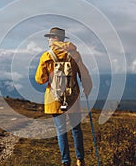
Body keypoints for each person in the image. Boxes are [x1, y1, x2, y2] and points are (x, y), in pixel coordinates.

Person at [35, 27, 92, 166]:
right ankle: (80, 159)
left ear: (54, 39)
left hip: (54, 99)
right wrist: (87, 87)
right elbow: (83, 73)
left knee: (61, 131)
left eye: (50, 37)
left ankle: (66, 161)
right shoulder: (75, 54)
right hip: (72, 97)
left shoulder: (46, 56)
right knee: (76, 129)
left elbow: (40, 79)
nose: (48, 40)